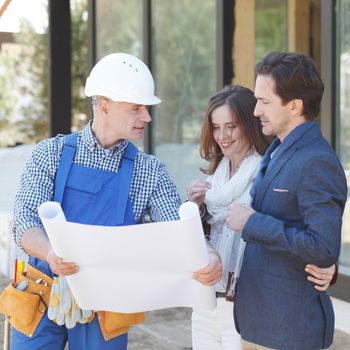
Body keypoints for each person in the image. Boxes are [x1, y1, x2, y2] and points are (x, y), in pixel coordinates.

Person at [4, 53, 221, 350]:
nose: (147, 116)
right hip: (43, 292)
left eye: (147, 107)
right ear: (105, 106)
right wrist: (51, 252)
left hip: (108, 302)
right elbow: (25, 219)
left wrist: (208, 255)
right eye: (136, 108)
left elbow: (177, 228)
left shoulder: (149, 171)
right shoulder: (50, 154)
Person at [187, 85, 337, 350]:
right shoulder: (213, 181)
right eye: (216, 127)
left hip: (245, 307)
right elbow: (198, 245)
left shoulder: (267, 174)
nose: (223, 136)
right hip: (205, 304)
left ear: (249, 124)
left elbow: (296, 231)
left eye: (231, 126)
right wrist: (196, 210)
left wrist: (329, 265)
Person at [227, 52, 347, 350]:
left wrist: (251, 223)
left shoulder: (317, 161)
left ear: (295, 106)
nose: (256, 111)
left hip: (290, 330)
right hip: (258, 324)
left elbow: (322, 247)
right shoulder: (277, 148)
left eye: (265, 102)